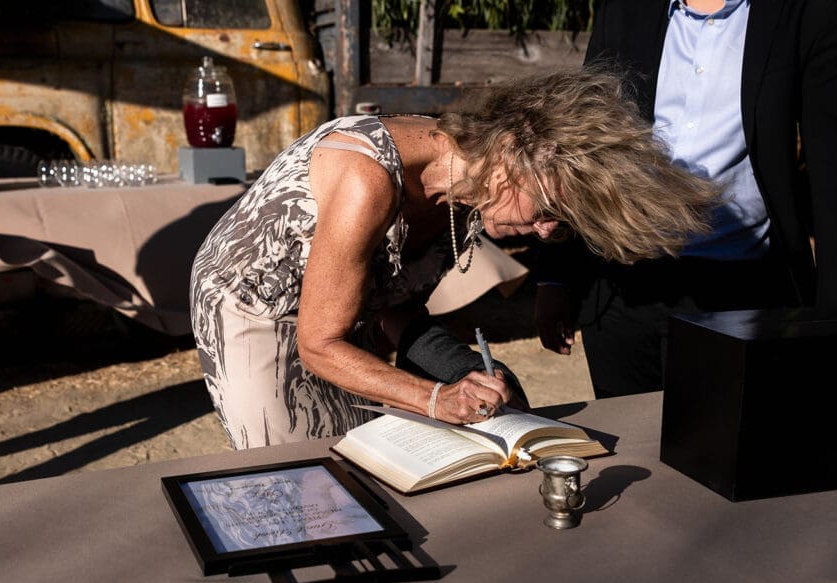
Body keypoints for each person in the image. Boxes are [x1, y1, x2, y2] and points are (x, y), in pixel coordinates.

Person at [190, 68, 719, 449]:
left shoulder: (470, 195)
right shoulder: (366, 180)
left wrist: (467, 370)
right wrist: (436, 397)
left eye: (562, 224)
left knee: (368, 457)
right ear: (512, 150)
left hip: (332, 315)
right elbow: (320, 344)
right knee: (303, 466)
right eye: (548, 209)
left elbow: (390, 306)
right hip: (254, 305)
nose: (546, 231)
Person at [536, 0, 837, 398]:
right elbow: (584, 138)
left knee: (730, 454)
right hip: (623, 292)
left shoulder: (809, 11)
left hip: (744, 297)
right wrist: (556, 275)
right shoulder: (625, 7)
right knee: (632, 453)